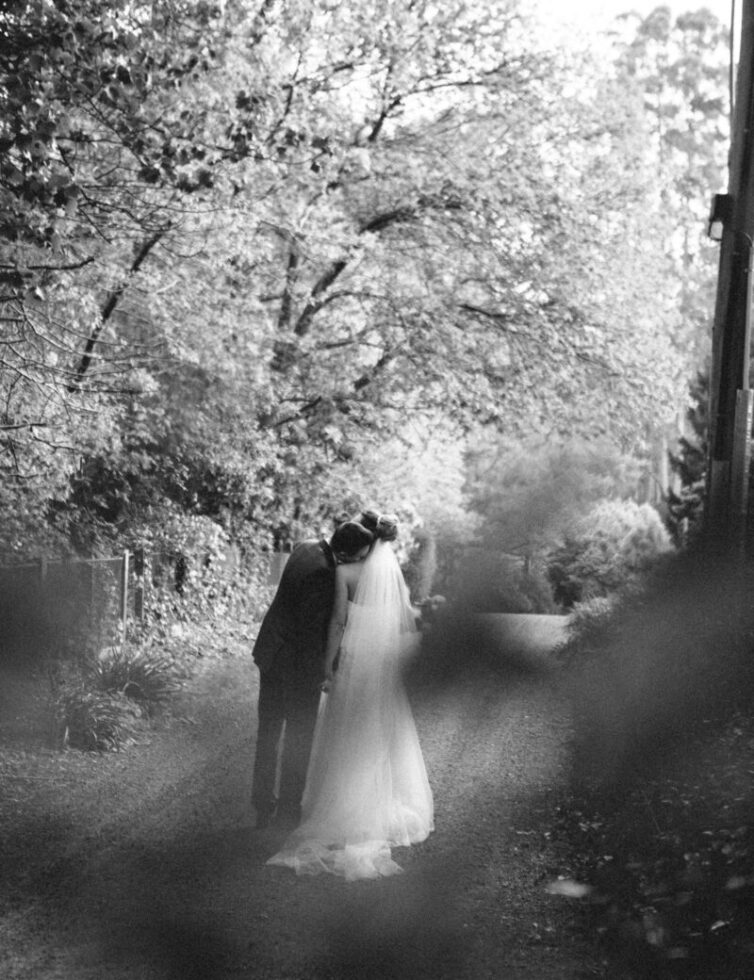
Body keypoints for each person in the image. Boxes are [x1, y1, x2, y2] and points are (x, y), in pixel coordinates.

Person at [267, 511, 434, 880]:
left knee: (344, 734)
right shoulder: (391, 576)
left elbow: (338, 622)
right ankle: (375, 807)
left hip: (355, 663)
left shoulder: (343, 574)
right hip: (383, 664)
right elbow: (405, 617)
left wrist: (327, 666)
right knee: (378, 735)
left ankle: (337, 806)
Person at [251, 520, 373, 829]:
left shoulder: (307, 546)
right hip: (295, 665)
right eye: (359, 557)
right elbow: (311, 631)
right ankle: (289, 810)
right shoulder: (325, 575)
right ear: (345, 554)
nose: (360, 562)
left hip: (270, 652)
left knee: (268, 733)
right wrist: (325, 669)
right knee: (299, 737)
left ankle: (261, 805)